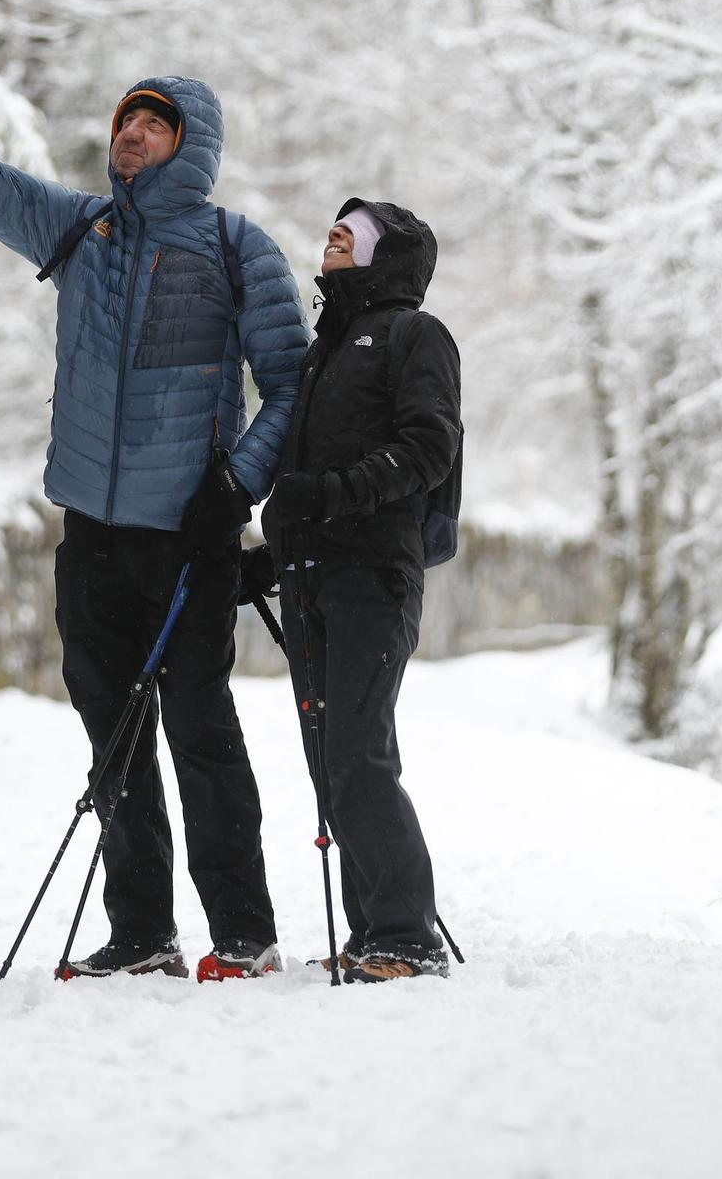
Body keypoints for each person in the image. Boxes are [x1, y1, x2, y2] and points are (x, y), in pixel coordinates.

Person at [0, 22, 309, 980]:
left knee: (200, 731)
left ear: (191, 146)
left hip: (188, 539)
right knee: (112, 737)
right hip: (90, 535)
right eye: (125, 119)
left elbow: (293, 386)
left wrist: (237, 485)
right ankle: (142, 935)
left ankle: (244, 935)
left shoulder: (234, 246)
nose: (130, 134)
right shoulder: (82, 231)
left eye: (153, 124)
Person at [260, 198, 461, 982]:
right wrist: (273, 556)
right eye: (336, 228)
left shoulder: (416, 335)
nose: (337, 234)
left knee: (357, 753)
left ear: (392, 253)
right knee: (330, 758)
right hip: (311, 577)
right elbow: (304, 483)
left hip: (375, 572)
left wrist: (330, 494)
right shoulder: (326, 349)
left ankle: (408, 937)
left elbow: (428, 447)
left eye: (358, 230)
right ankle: (372, 931)